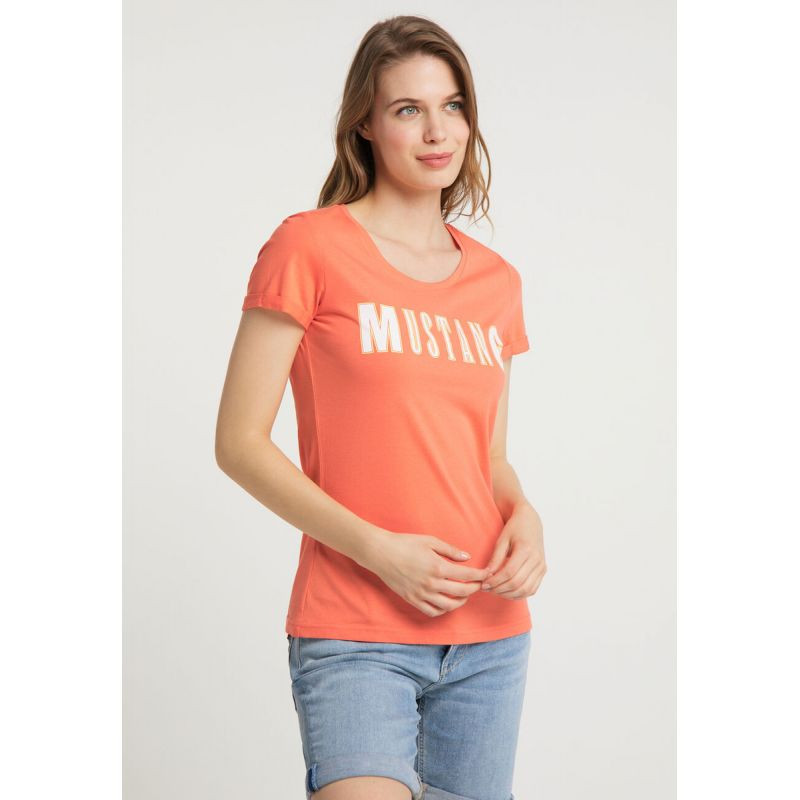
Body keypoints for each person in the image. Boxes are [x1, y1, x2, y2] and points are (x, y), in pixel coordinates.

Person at [215, 14, 547, 800]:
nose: (437, 131)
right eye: (408, 109)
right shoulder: (309, 247)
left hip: (489, 635)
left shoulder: (496, 282)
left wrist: (525, 515)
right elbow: (239, 443)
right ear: (365, 123)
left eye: (453, 106)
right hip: (355, 628)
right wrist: (379, 551)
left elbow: (488, 457)